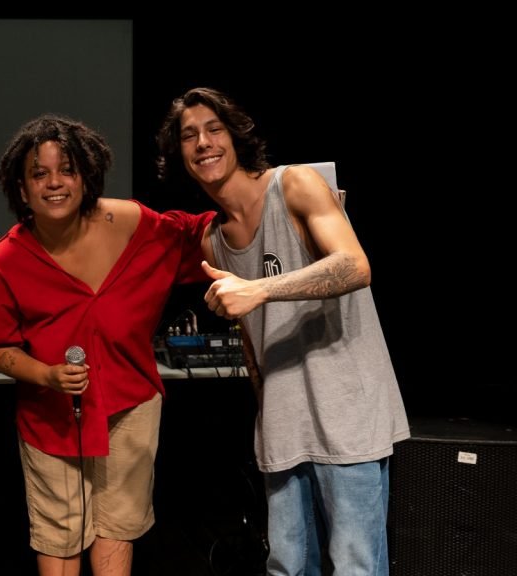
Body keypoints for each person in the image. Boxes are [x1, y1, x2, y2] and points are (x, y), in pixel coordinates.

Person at [155, 87, 410, 576]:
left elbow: (355, 266)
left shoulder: (295, 184)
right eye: (189, 136)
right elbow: (254, 341)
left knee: (356, 565)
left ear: (235, 136)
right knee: (287, 566)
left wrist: (261, 289)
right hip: (283, 422)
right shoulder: (215, 237)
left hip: (348, 412)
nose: (203, 143)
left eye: (213, 129)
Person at [0, 114, 215, 576]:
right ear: (21, 190)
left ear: (86, 176)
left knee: (117, 529)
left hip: (131, 403)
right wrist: (45, 375)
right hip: (51, 417)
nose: (54, 183)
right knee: (59, 532)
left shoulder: (132, 223)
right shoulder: (6, 260)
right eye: (39, 173)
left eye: (66, 169)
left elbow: (200, 236)